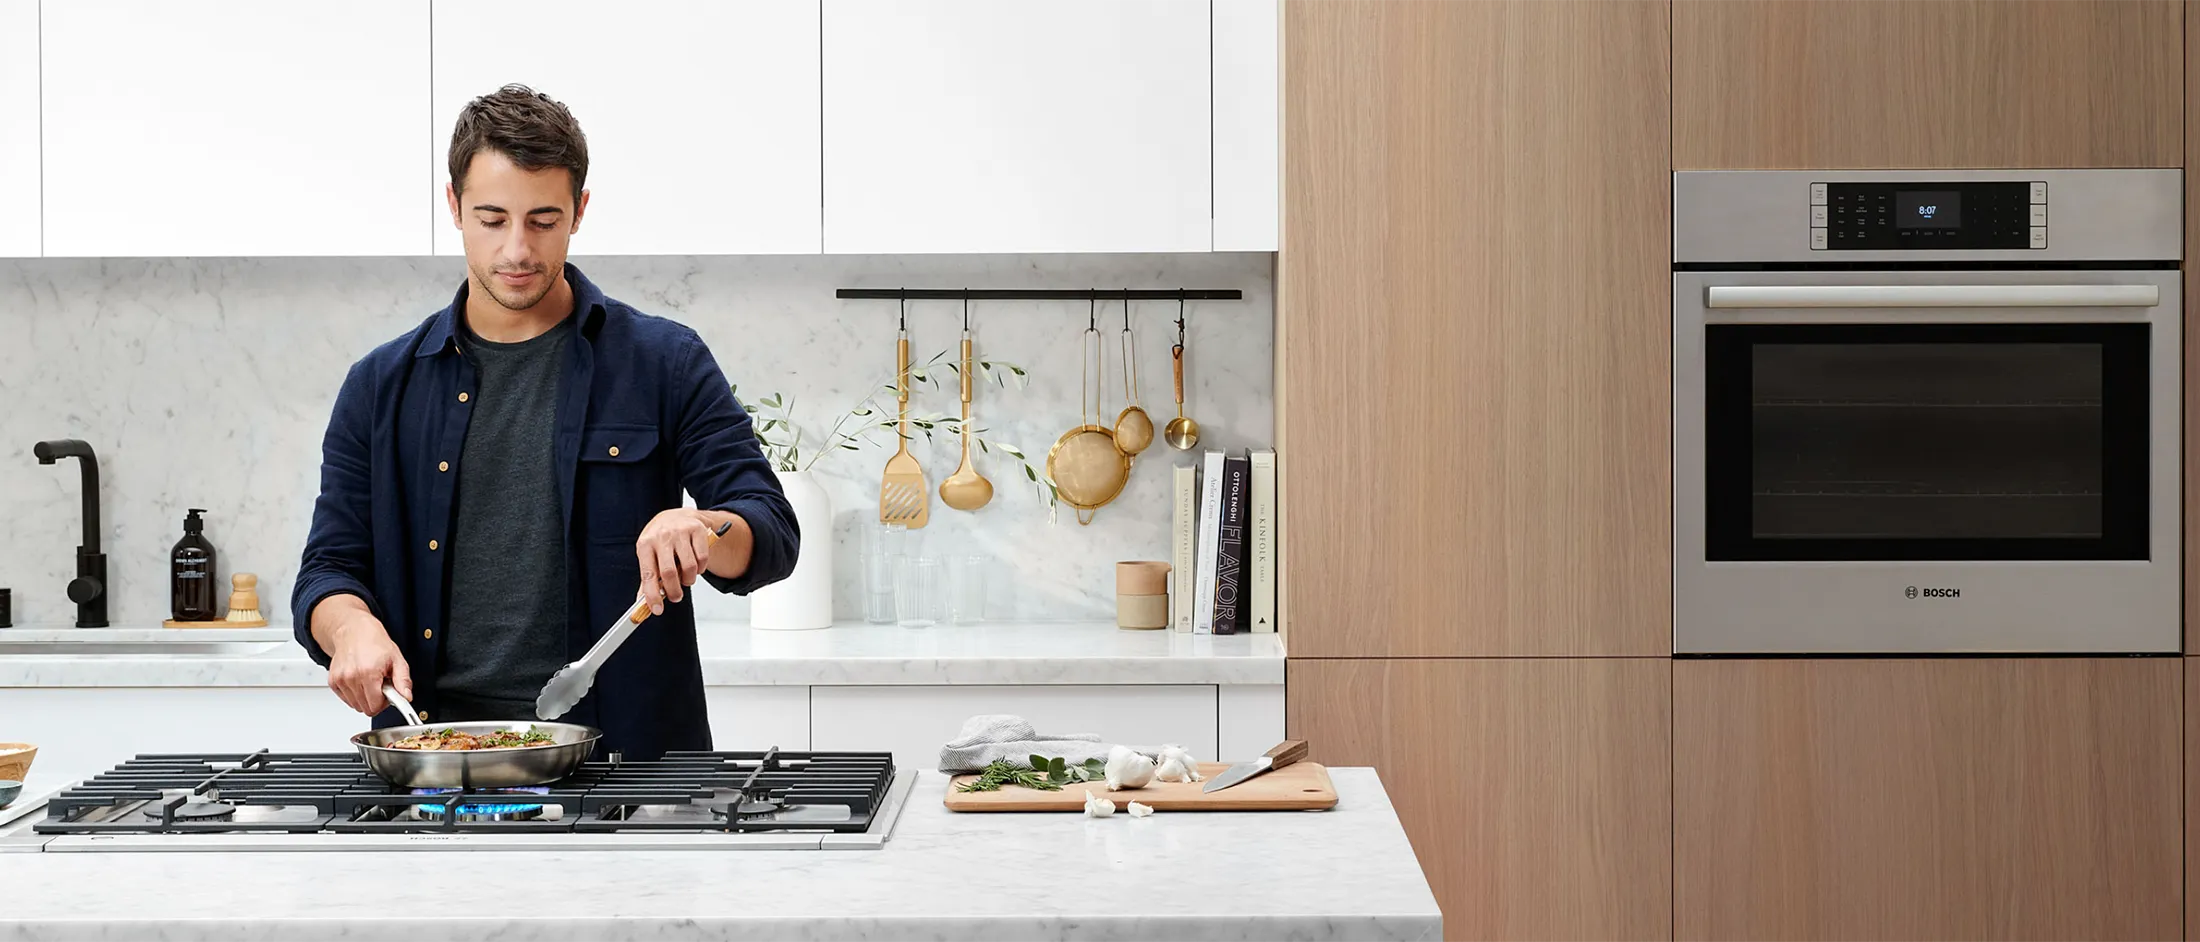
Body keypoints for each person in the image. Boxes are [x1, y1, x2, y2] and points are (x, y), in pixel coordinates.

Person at [290, 84, 797, 759]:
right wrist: (350, 628)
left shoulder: (663, 361)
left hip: (626, 768)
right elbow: (329, 569)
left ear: (580, 212)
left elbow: (769, 529)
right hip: (435, 765)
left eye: (544, 219)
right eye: (493, 219)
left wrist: (702, 526)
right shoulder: (380, 386)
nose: (517, 250)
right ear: (454, 208)